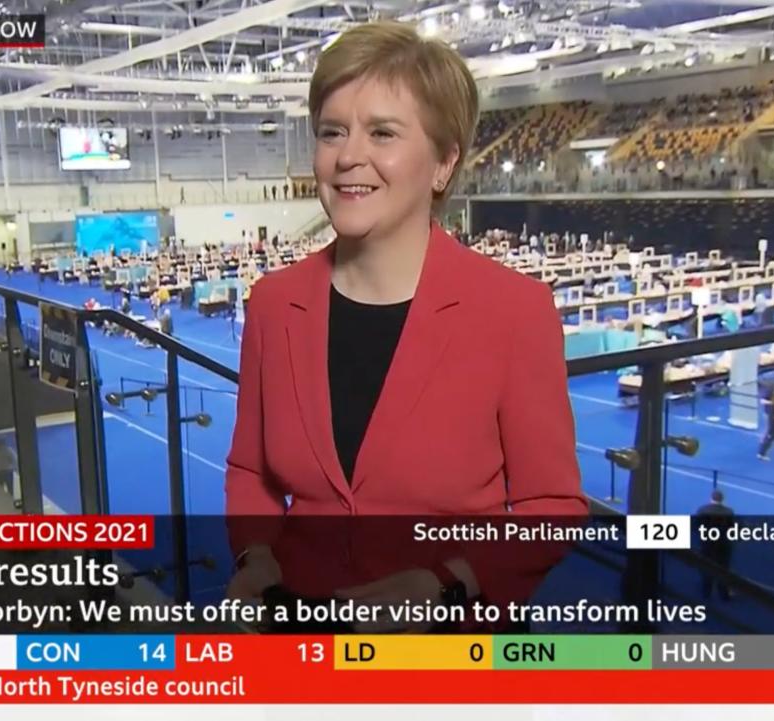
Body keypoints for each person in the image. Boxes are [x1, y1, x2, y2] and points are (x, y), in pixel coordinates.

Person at [224, 21, 585, 629]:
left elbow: (552, 506)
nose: (347, 157)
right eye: (331, 132)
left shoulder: (513, 311)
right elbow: (250, 471)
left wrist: (450, 583)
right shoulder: (274, 304)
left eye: (382, 133)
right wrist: (255, 557)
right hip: (295, 637)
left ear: (444, 163)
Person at [693, 490, 735, 601]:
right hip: (723, 545)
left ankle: (706, 593)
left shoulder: (702, 510)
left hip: (707, 545)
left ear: (711, 498)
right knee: (722, 569)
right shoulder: (729, 512)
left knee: (706, 568)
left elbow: (697, 526)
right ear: (722, 499)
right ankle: (723, 595)